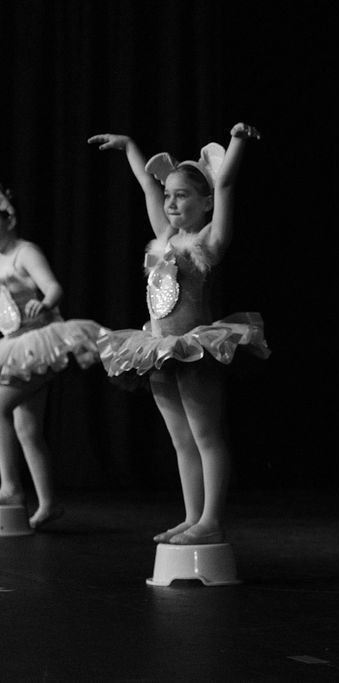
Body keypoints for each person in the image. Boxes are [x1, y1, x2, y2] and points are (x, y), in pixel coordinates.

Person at [88, 125, 270, 545]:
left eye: (182, 195)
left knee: (207, 437)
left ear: (205, 202)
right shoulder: (164, 239)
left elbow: (224, 183)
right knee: (181, 440)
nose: (170, 202)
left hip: (195, 349)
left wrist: (238, 143)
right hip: (156, 349)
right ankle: (192, 518)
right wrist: (131, 145)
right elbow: (147, 188)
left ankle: (211, 520)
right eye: (169, 196)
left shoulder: (209, 240)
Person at [0, 184, 105, 528]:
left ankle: (11, 486)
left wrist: (43, 303)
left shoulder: (24, 252)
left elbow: (54, 287)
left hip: (39, 342)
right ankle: (49, 503)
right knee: (26, 427)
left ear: (8, 219)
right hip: (13, 345)